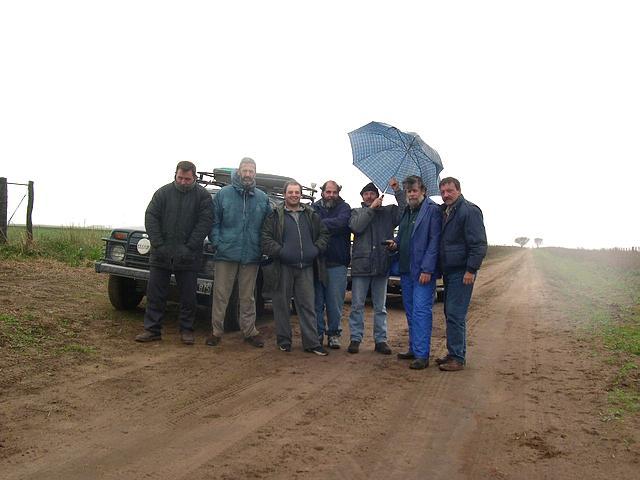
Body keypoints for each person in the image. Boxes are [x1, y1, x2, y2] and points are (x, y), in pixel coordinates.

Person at [135, 161, 213, 344]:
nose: (183, 182)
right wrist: (158, 243)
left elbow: (205, 223)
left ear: (194, 177)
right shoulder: (162, 193)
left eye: (187, 179)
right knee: (155, 295)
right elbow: (151, 216)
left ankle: (186, 330)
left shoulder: (202, 197)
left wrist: (190, 246)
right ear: (175, 176)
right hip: (161, 254)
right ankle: (152, 329)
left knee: (188, 297)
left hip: (189, 257)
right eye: (180, 178)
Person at [206, 157, 271, 348]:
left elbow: (267, 226)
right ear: (239, 171)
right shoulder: (224, 194)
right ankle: (216, 331)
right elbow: (214, 222)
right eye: (245, 170)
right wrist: (218, 242)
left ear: (255, 173)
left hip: (251, 255)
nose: (248, 174)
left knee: (248, 296)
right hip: (226, 253)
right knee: (221, 294)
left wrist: (261, 247)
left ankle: (249, 331)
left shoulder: (262, 197)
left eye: (251, 171)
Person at [261, 180, 330, 355]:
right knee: (281, 305)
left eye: (296, 192)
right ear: (284, 194)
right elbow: (265, 238)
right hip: (282, 267)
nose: (293, 195)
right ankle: (284, 341)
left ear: (300, 194)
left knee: (307, 306)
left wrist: (315, 249)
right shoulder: (275, 214)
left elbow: (324, 234)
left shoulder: (311, 214)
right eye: (290, 192)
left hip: (306, 267)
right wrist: (281, 252)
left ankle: (312, 343)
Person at [388, 176, 441, 370]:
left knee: (421, 312)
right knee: (410, 312)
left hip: (422, 272)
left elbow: (435, 242)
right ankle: (413, 349)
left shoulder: (432, 210)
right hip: (406, 270)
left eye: (414, 190)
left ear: (423, 191)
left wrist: (428, 268)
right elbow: (403, 237)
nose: (411, 194)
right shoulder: (407, 212)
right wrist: (395, 244)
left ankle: (422, 354)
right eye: (408, 191)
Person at [347, 179, 406, 354]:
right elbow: (356, 228)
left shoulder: (389, 212)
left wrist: (398, 191)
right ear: (362, 197)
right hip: (361, 266)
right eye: (366, 194)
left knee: (380, 307)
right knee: (357, 305)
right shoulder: (356, 212)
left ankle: (381, 341)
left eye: (372, 193)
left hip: (381, 264)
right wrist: (371, 209)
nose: (369, 196)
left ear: (377, 195)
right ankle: (355, 339)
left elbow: (404, 212)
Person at [437, 177, 487, 371]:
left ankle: (457, 358)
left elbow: (479, 244)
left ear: (458, 190)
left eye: (450, 191)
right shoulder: (446, 212)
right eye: (443, 192)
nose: (446, 195)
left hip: (462, 271)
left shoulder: (469, 211)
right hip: (449, 271)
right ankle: (453, 353)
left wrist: (471, 269)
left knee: (456, 314)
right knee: (450, 312)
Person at [311, 180, 351, 349]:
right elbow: (310, 226)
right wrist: (330, 225)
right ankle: (319, 334)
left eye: (334, 192)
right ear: (322, 192)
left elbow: (342, 223)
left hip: (337, 263)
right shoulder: (313, 207)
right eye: (328, 192)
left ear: (338, 193)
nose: (331, 195)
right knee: (317, 302)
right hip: (316, 262)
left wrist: (320, 225)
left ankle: (334, 334)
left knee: (335, 304)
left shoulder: (345, 207)